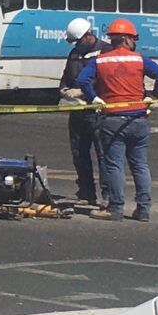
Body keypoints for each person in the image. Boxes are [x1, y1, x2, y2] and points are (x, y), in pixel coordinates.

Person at [72, 18, 158, 221]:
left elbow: (82, 80)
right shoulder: (139, 60)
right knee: (140, 165)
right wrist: (153, 96)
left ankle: (116, 208)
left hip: (112, 119)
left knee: (114, 165)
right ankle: (143, 209)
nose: (135, 43)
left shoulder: (100, 60)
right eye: (134, 39)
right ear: (126, 39)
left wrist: (94, 98)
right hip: (138, 119)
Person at [57, 16, 103, 207]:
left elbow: (104, 80)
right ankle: (86, 192)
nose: (76, 45)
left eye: (77, 41)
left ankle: (108, 195)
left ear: (87, 36)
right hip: (77, 111)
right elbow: (67, 76)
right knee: (79, 153)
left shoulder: (104, 51)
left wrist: (84, 91)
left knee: (103, 154)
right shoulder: (75, 53)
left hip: (97, 111)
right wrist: (64, 89)